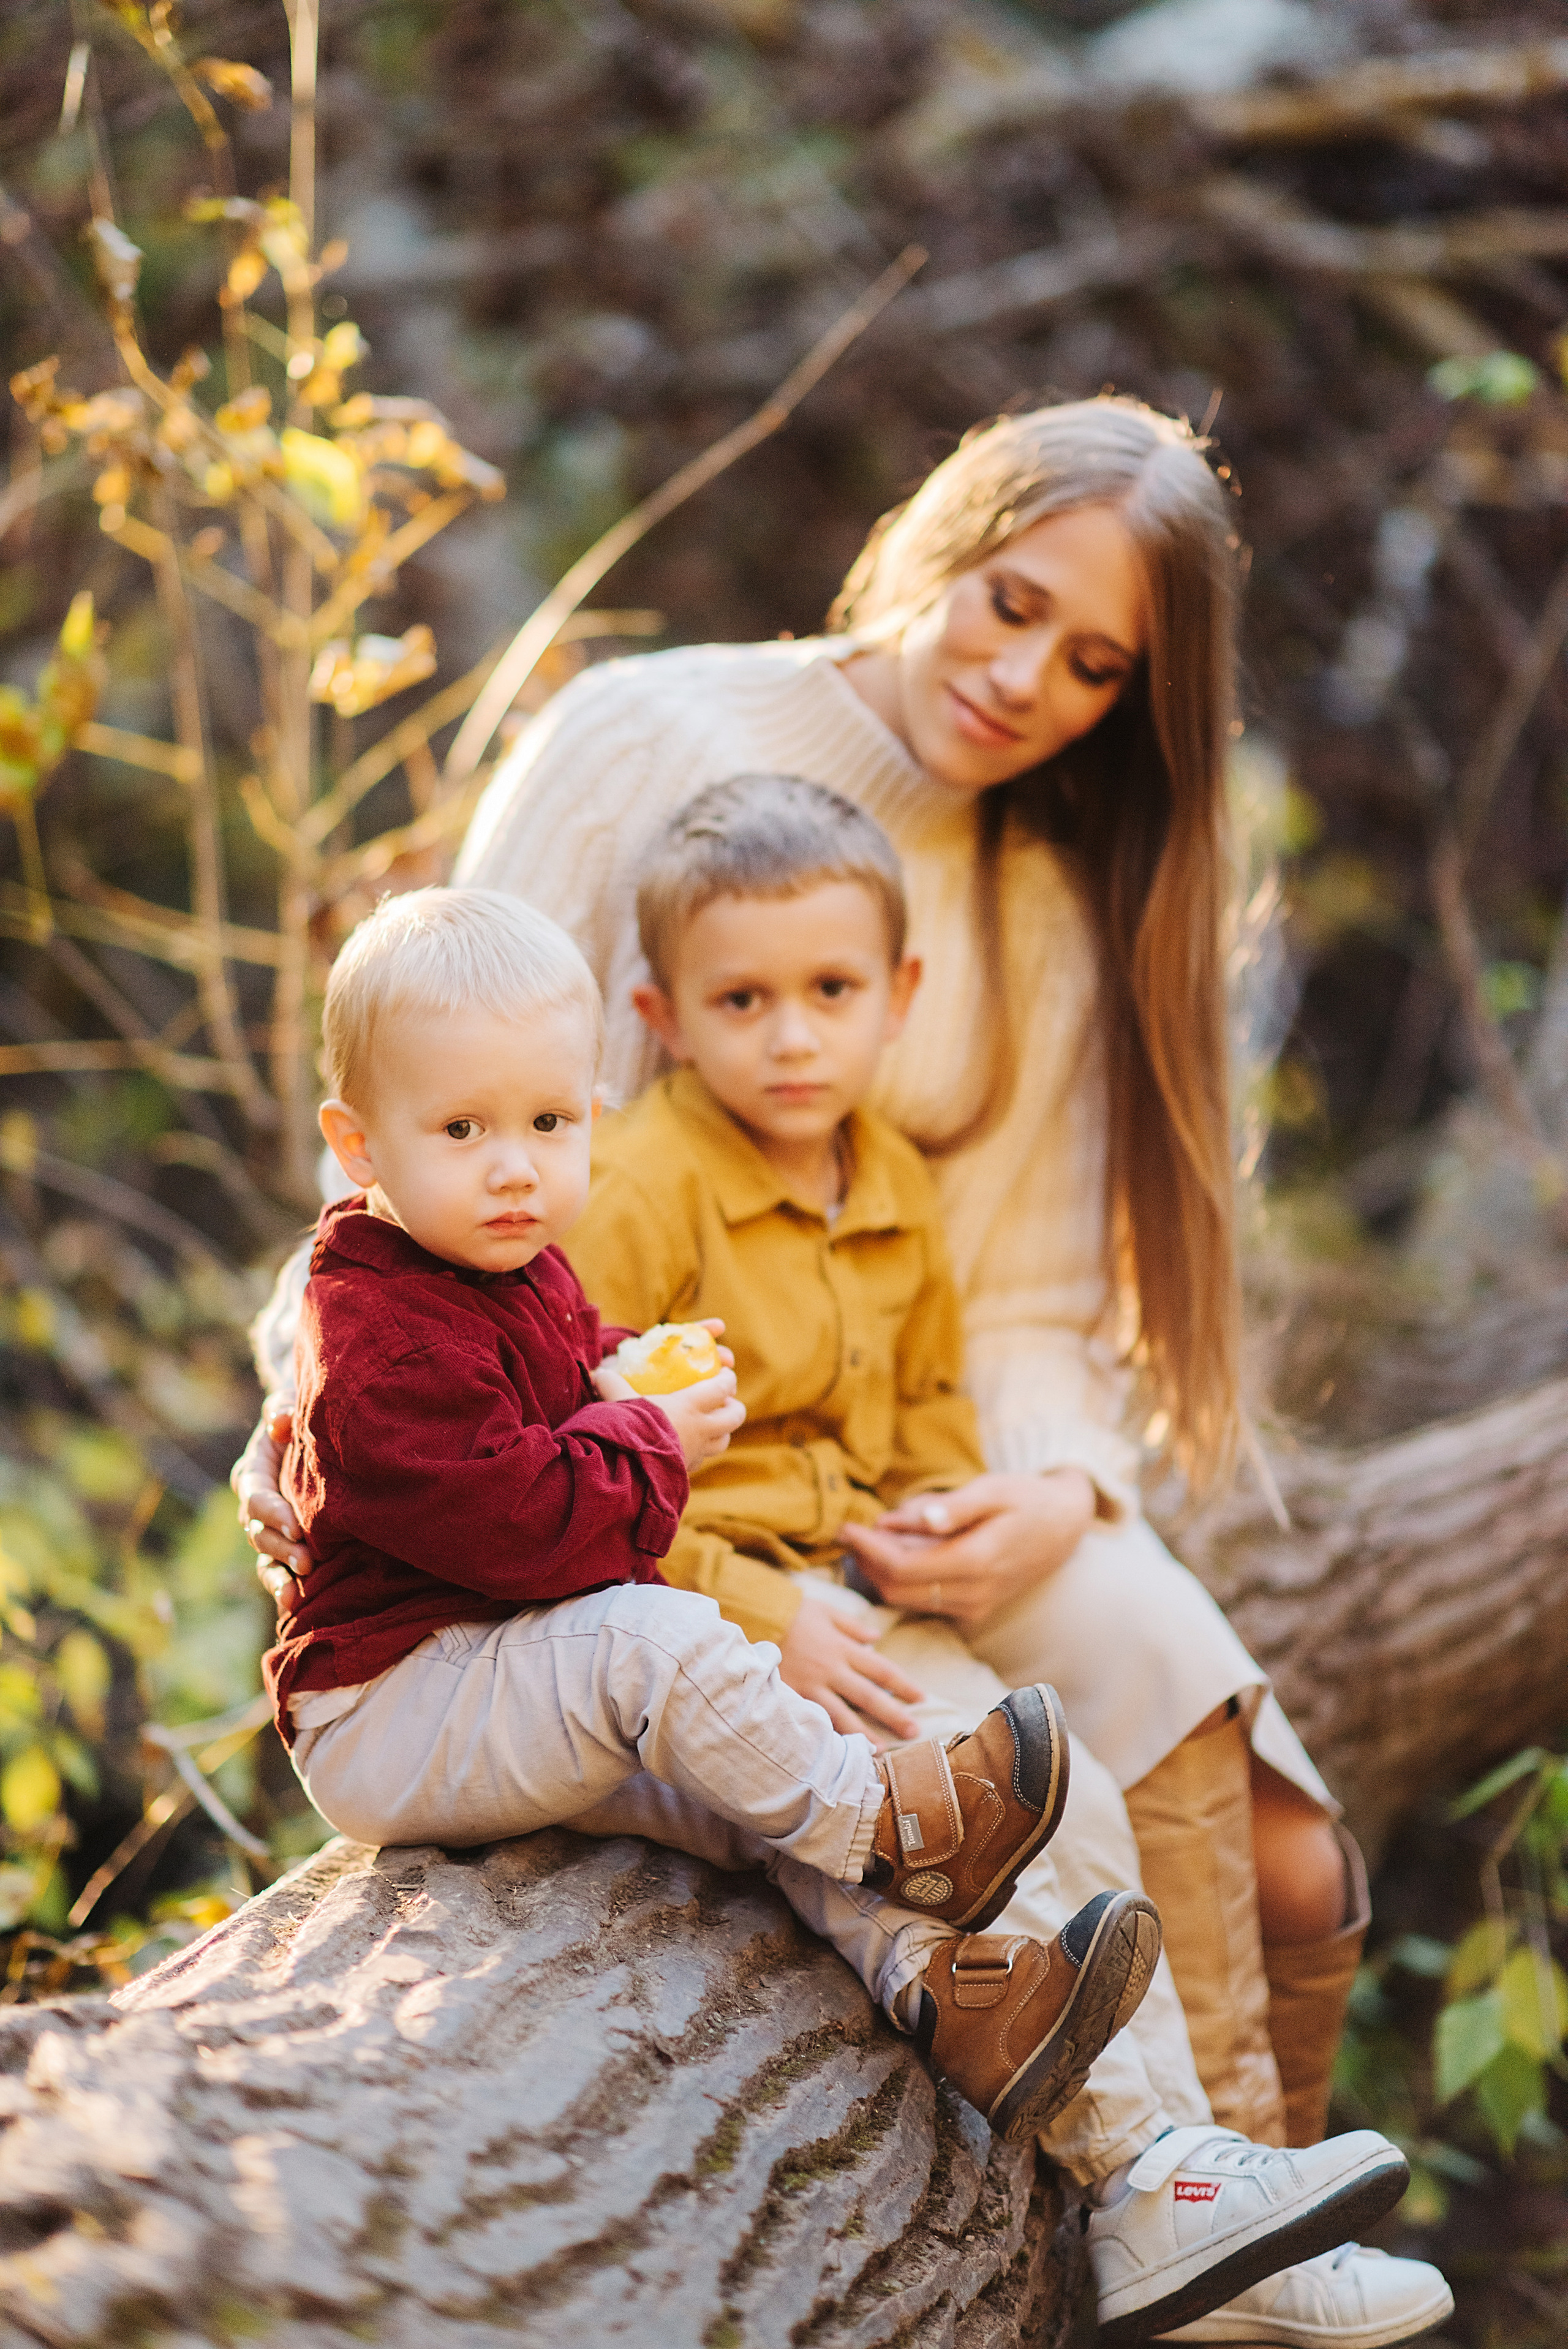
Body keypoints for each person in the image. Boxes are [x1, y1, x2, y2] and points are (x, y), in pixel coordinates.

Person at [238, 398, 1453, 2347]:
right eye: (1010, 603)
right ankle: (1191, 2222)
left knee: (1297, 1859)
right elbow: (429, 1135)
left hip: (921, 1467)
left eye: (1093, 665)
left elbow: (1033, 1294)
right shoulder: (649, 745)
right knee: (1043, 1804)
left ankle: (1238, 2223)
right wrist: (339, 1449)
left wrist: (1057, 1490)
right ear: (938, 536)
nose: (1022, 679)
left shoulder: (1052, 891)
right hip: (649, 1500)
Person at [271, 880, 1166, 2148]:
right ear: (359, 1147)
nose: (516, 1166)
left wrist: (630, 1367)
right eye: (461, 1128)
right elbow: (516, 1519)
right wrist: (647, 1436)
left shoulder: (506, 1255)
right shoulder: (376, 1324)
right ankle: (896, 1820)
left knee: (751, 1776)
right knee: (662, 1642)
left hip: (500, 1672)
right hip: (394, 1700)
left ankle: (956, 1996)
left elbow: (571, 1357)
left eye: (547, 1120)